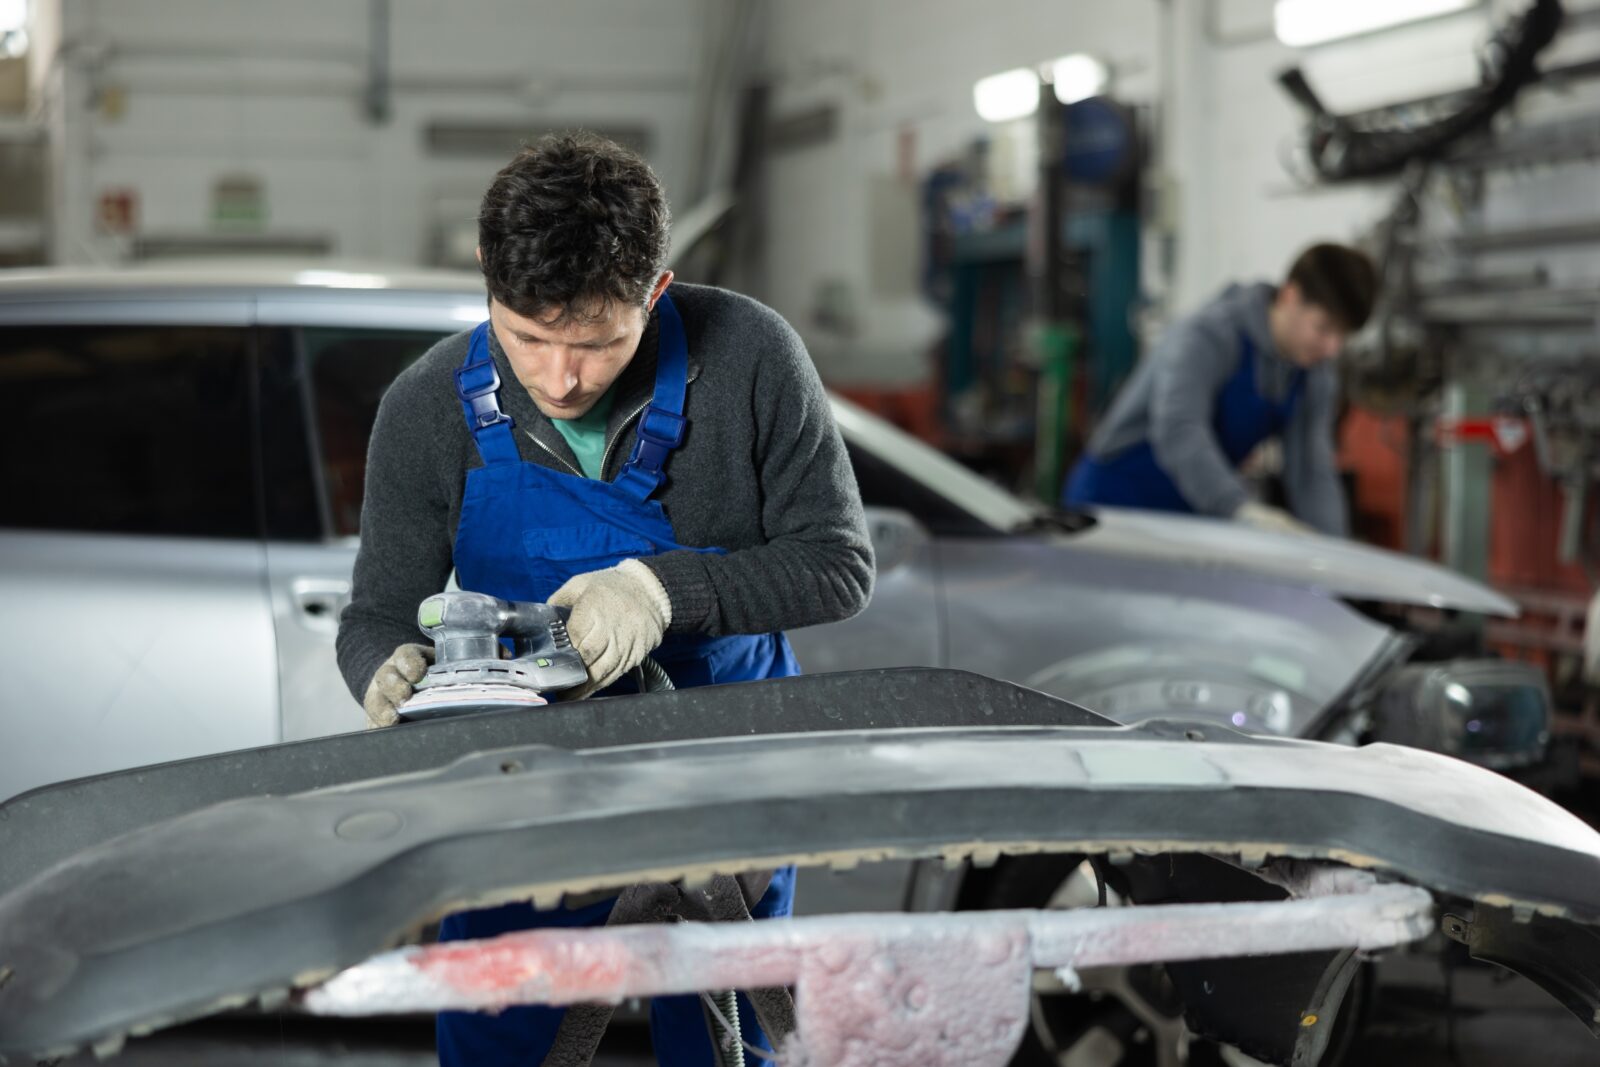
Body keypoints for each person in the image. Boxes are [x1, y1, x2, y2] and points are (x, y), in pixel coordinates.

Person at [335, 132, 875, 1066]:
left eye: (595, 343)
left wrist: (661, 592)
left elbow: (838, 564)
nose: (560, 378)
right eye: (527, 338)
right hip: (524, 787)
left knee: (730, 1043)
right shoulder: (425, 408)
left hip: (727, 766)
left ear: (655, 291)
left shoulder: (750, 357)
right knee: (504, 1039)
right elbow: (376, 614)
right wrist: (381, 669)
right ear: (485, 274)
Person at [1063, 243, 1378, 535]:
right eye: (1323, 328)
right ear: (1289, 296)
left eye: (1342, 336)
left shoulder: (1313, 374)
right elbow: (1178, 430)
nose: (1332, 348)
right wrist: (1240, 510)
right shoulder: (1208, 334)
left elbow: (1312, 471)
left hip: (1190, 512)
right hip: (1113, 503)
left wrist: (1333, 553)